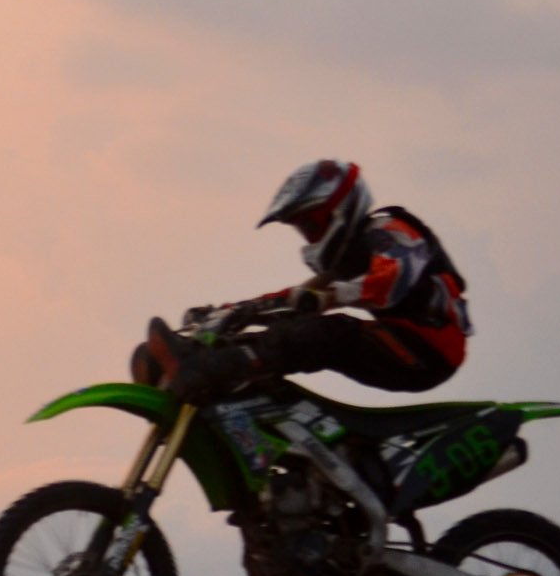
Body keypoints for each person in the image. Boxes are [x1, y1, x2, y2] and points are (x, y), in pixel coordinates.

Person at [139, 160, 472, 404]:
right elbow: (298, 296)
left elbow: (393, 278)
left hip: (429, 351)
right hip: (398, 344)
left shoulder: (389, 229)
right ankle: (201, 365)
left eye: (309, 226)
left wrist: (326, 298)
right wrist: (234, 311)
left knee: (327, 332)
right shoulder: (351, 258)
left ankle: (211, 369)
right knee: (290, 329)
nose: (307, 236)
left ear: (340, 210)